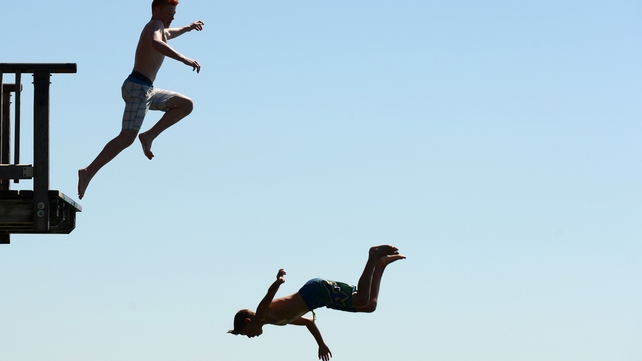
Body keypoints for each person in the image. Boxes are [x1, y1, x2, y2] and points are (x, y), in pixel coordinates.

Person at [78, 0, 204, 199]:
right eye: (169, 13)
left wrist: (189, 27)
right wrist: (184, 59)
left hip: (147, 90)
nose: (172, 17)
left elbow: (172, 32)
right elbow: (156, 42)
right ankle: (88, 171)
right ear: (156, 10)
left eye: (174, 14)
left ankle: (149, 135)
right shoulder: (154, 26)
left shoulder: (162, 28)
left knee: (185, 104)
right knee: (126, 138)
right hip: (137, 88)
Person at [228, 245, 406, 361]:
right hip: (320, 301)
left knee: (361, 299)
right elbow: (308, 322)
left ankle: (373, 256)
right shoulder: (276, 320)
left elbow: (269, 295)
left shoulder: (261, 315)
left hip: (315, 291)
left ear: (247, 322)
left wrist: (279, 281)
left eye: (245, 333)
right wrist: (321, 344)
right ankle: (381, 265)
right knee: (369, 306)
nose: (250, 337)